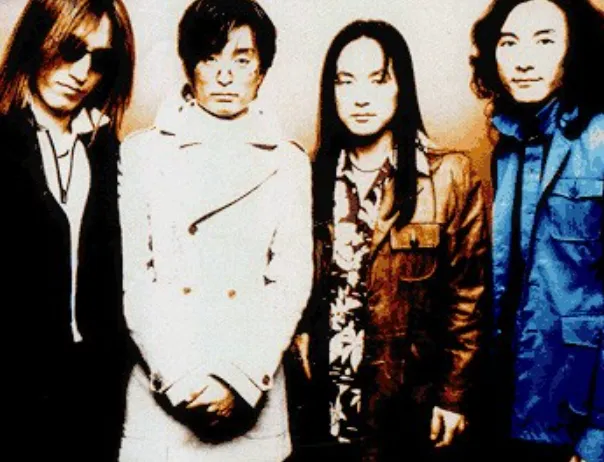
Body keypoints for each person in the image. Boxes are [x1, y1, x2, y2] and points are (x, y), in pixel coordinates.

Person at [117, 0, 313, 460]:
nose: (225, 75)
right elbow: (135, 280)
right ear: (189, 65)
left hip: (251, 395)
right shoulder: (142, 153)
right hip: (164, 395)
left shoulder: (288, 162)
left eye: (242, 59)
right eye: (210, 56)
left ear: (262, 70)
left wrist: (238, 381)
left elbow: (290, 283)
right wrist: (180, 382)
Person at [292, 19, 489, 462]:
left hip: (406, 406)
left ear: (402, 87)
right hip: (320, 404)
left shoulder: (449, 177)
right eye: (346, 81)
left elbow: (468, 300)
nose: (361, 97)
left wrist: (454, 396)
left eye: (378, 79)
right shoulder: (305, 177)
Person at [0, 0, 135, 460]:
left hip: (94, 397)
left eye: (100, 60)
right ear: (37, 38)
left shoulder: (109, 151)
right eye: (71, 48)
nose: (81, 72)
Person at [470, 1, 604, 461]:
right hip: (511, 401)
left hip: (578, 414)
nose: (523, 60)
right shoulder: (509, 145)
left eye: (544, 41)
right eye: (509, 43)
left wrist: (598, 436)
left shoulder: (600, 140)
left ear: (575, 50)